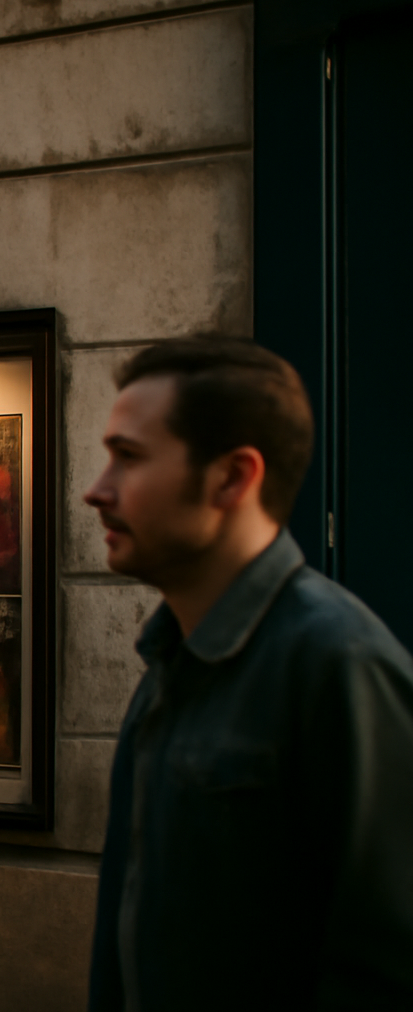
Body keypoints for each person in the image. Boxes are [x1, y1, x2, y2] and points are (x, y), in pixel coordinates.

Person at [82, 335, 413, 1010]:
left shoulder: (341, 665)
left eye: (130, 457)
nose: (97, 490)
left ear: (232, 478)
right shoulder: (168, 662)